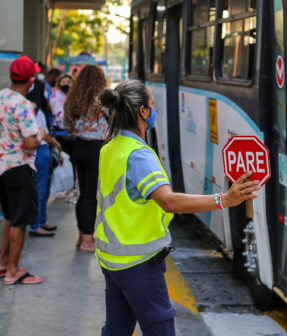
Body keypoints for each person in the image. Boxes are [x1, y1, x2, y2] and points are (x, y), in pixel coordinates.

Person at [96, 80, 260, 335]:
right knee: (159, 329)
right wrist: (224, 200)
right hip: (138, 262)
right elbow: (168, 201)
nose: (154, 110)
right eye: (152, 104)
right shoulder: (139, 155)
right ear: (143, 112)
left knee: (117, 329)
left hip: (111, 258)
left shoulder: (110, 147)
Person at [0, 56, 45, 285]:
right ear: (30, 81)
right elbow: (29, 143)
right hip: (19, 167)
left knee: (9, 217)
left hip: (2, 168)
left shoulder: (1, 97)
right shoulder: (24, 105)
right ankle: (13, 272)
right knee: (20, 221)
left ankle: (3, 263)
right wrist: (40, 135)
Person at [64, 65, 108, 252]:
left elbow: (67, 126)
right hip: (97, 150)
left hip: (79, 148)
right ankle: (88, 240)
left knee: (83, 194)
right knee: (91, 195)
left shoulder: (73, 100)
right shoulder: (105, 101)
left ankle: (82, 235)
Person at [26, 81, 62, 237]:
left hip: (40, 152)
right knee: (40, 189)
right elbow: (42, 134)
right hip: (39, 151)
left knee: (43, 188)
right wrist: (56, 144)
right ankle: (36, 224)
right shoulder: (36, 111)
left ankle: (41, 220)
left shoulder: (34, 110)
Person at [50, 73, 73, 156]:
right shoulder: (55, 96)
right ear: (59, 83)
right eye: (63, 82)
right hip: (60, 132)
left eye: (69, 82)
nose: (66, 84)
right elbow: (58, 114)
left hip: (72, 132)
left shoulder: (73, 96)